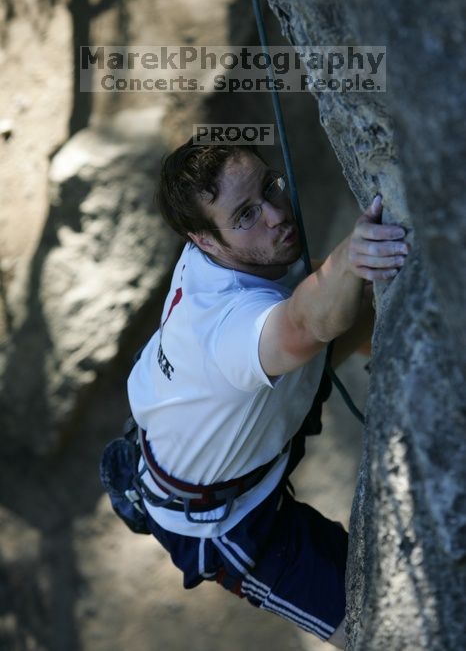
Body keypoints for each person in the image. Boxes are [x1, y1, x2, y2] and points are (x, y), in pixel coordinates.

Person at [103, 138, 408, 648]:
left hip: (211, 431)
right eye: (246, 214)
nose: (275, 214)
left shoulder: (222, 254)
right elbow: (309, 322)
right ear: (203, 241)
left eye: (271, 186)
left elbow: (325, 318)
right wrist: (352, 257)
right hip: (228, 523)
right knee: (378, 630)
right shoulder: (223, 327)